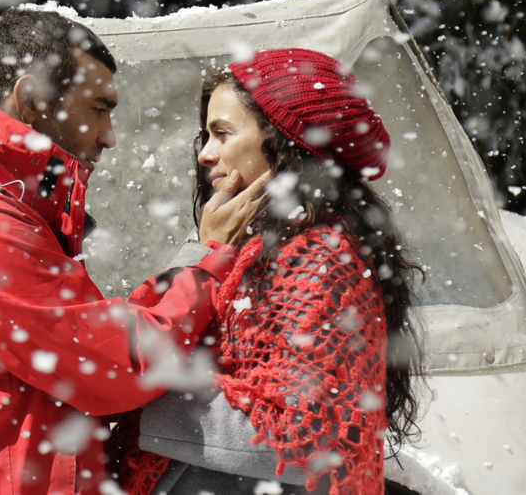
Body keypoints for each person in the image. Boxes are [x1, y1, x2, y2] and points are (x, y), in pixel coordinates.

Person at [0, 9, 266, 495]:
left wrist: (195, 263)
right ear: (31, 99)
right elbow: (115, 367)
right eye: (99, 109)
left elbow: (88, 333)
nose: (109, 136)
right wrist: (209, 258)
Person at [112, 49, 423, 495]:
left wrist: (128, 394)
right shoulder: (256, 245)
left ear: (283, 142)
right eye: (206, 135)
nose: (205, 154)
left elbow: (309, 439)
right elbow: (154, 332)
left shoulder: (319, 257)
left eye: (222, 133)